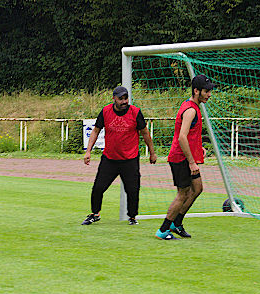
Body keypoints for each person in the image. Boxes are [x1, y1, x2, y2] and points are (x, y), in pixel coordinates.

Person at [81, 86, 157, 225]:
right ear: (114, 99)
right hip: (110, 159)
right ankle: (95, 213)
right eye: (120, 99)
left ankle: (132, 217)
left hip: (130, 159)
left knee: (133, 190)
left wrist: (152, 152)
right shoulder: (105, 112)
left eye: (126, 98)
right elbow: (96, 131)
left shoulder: (135, 112)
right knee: (98, 188)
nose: (124, 101)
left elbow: (145, 133)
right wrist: (88, 151)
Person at [154, 74, 214, 240]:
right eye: (206, 91)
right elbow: (181, 137)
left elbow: (188, 135)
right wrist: (192, 162)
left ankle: (176, 223)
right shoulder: (190, 111)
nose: (209, 94)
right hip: (180, 158)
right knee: (183, 194)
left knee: (198, 188)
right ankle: (163, 230)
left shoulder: (194, 107)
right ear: (196, 91)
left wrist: (197, 147)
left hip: (186, 157)